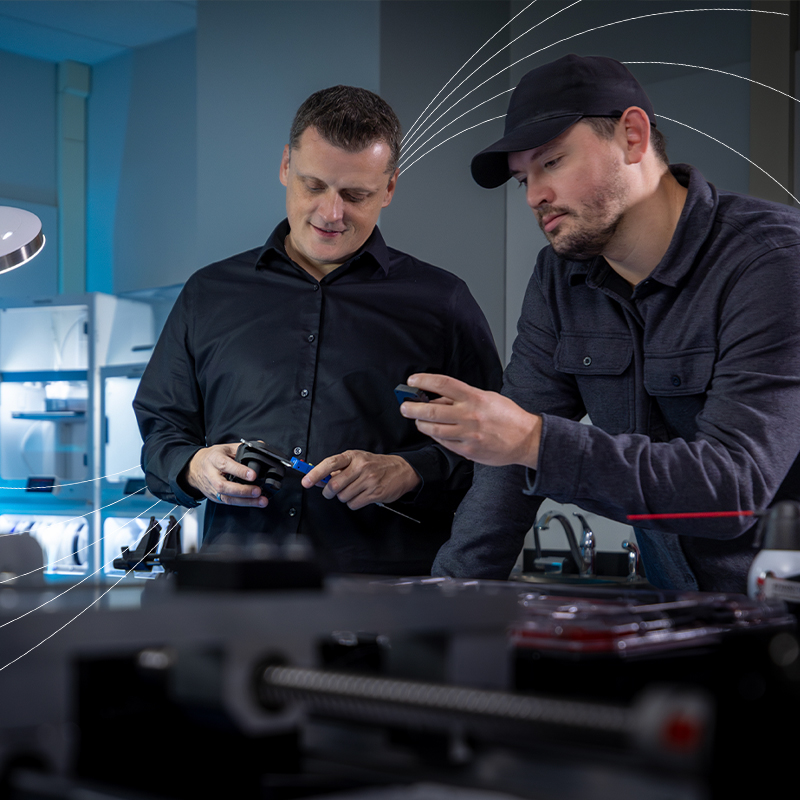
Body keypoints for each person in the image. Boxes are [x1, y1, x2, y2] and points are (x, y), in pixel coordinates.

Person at [399, 54, 800, 593]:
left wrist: (535, 441)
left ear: (632, 136)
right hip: (680, 615)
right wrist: (446, 602)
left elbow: (733, 492)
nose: (535, 196)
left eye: (552, 162)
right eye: (523, 179)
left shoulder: (772, 261)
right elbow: (504, 471)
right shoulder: (559, 279)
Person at [133, 85, 502, 575]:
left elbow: (497, 450)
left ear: (389, 188)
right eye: (313, 186)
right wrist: (193, 466)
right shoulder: (208, 293)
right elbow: (162, 432)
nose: (332, 213)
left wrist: (410, 470)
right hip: (236, 591)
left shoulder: (443, 302)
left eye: (356, 195)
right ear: (286, 166)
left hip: (389, 597)